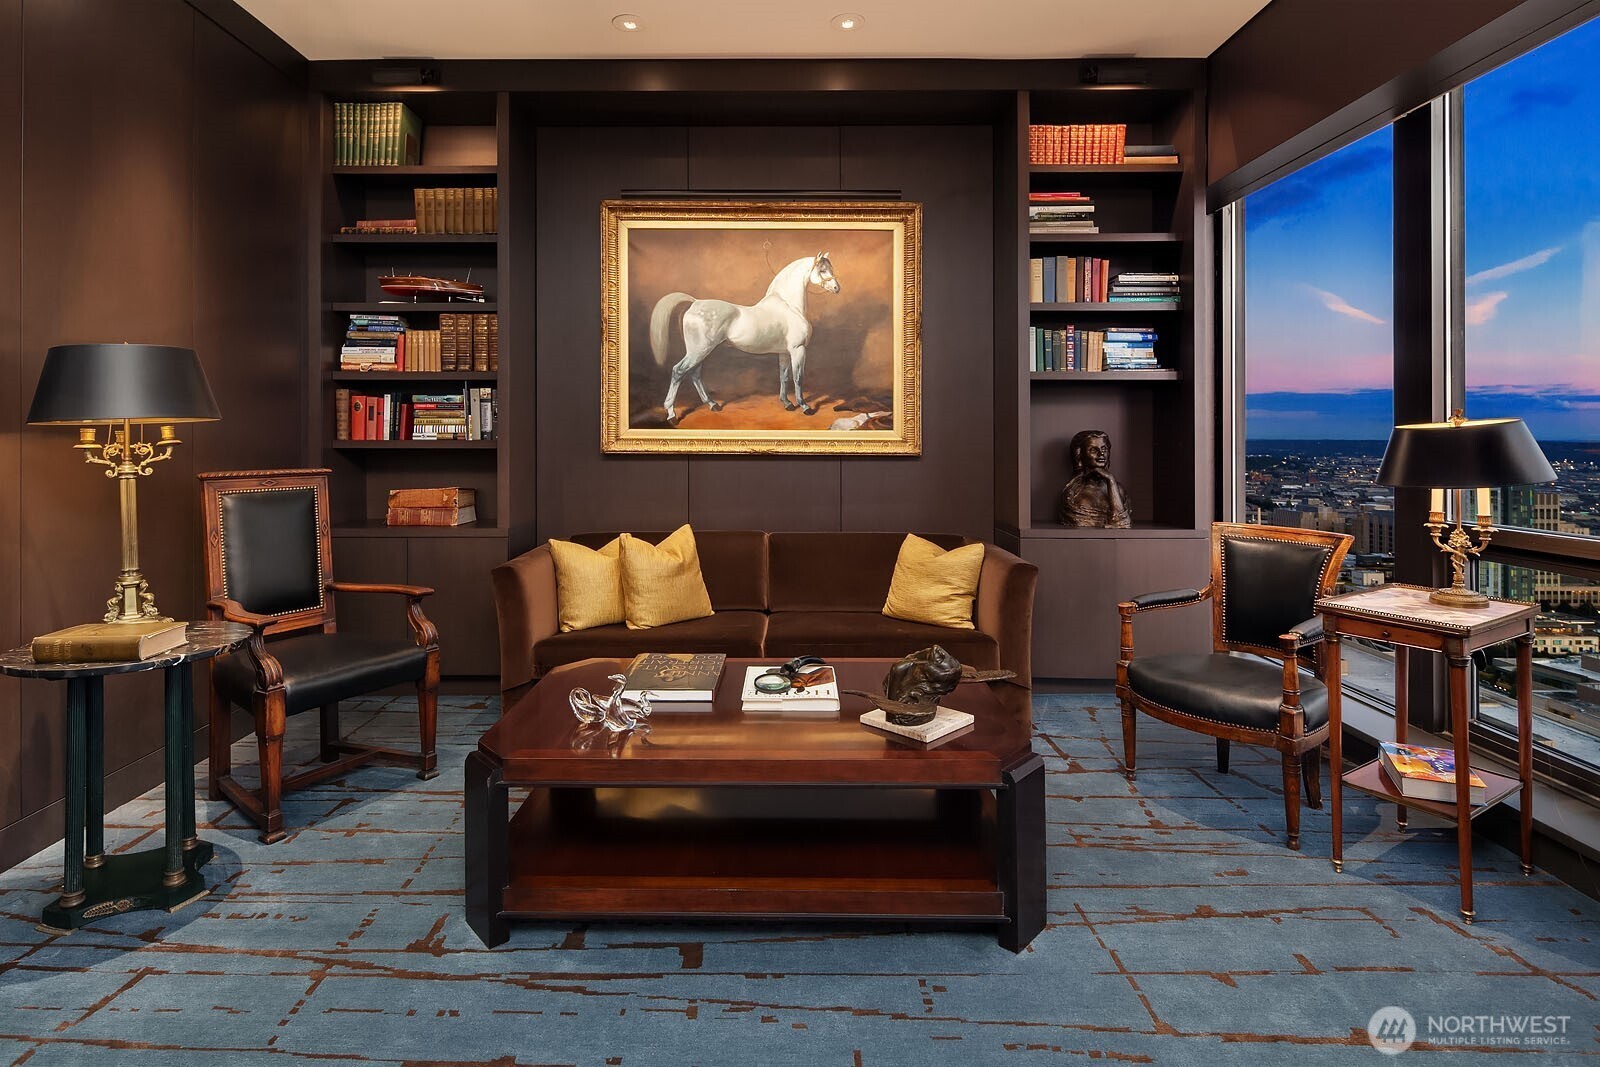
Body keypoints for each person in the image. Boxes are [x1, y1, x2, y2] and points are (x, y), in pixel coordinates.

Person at [1059, 429, 1132, 528]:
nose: (1101, 454)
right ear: (1080, 455)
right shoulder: (1073, 493)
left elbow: (1122, 523)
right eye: (1093, 450)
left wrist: (1110, 480)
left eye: (1104, 449)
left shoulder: (1118, 489)